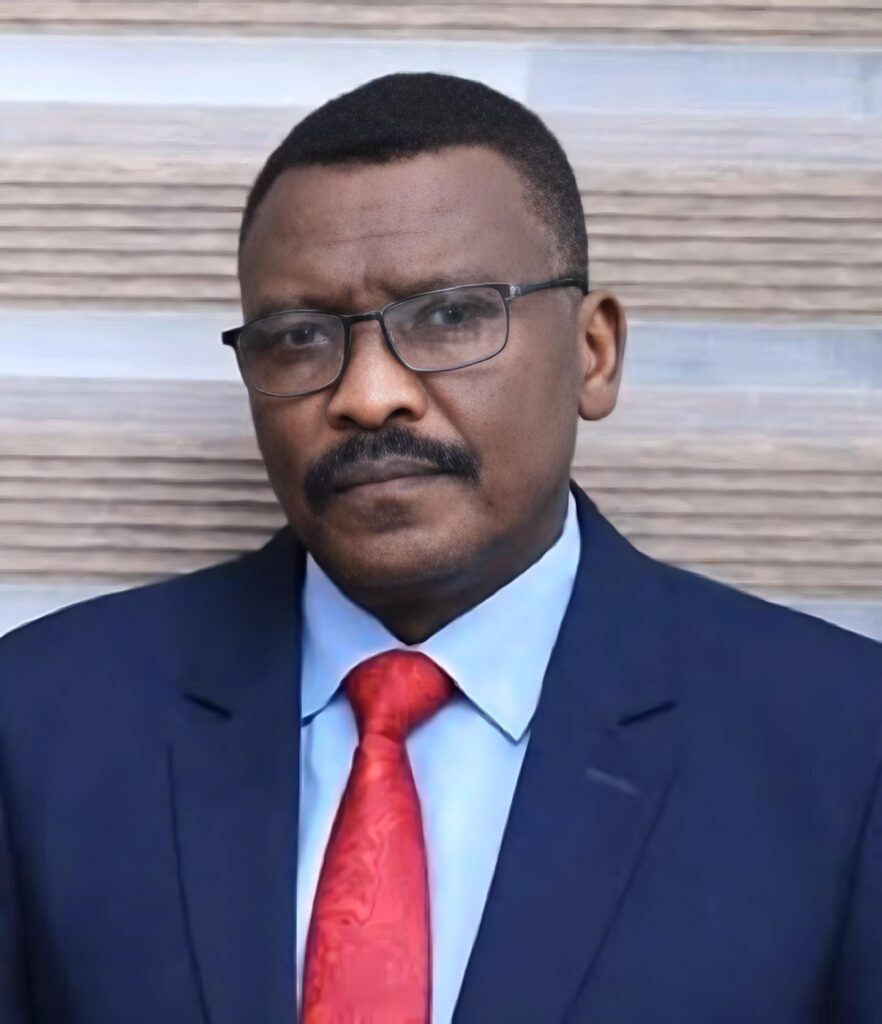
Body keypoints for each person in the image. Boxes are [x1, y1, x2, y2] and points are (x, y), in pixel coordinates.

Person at [1, 71, 881, 1024]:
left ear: (594, 354)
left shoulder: (843, 744)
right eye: (299, 336)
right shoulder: (41, 721)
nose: (369, 395)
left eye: (451, 315)